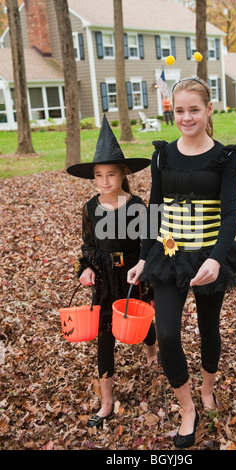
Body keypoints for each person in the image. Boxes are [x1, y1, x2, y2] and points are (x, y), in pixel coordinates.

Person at [127, 78, 236, 448]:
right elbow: (154, 209)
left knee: (208, 328)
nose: (186, 117)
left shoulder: (224, 157)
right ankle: (187, 406)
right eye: (179, 110)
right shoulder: (162, 155)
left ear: (208, 110)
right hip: (169, 256)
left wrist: (218, 260)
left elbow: (231, 215)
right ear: (171, 111)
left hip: (209, 257)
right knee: (168, 333)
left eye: (194, 109)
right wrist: (143, 257)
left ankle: (207, 386)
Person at [67, 115, 157, 429]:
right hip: (104, 279)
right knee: (105, 336)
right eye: (98, 175)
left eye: (111, 175)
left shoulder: (138, 206)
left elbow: (150, 243)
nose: (105, 181)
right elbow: (88, 246)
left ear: (123, 173)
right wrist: (86, 269)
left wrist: (146, 273)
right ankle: (106, 401)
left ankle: (150, 349)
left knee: (139, 322)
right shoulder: (90, 208)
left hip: (133, 275)